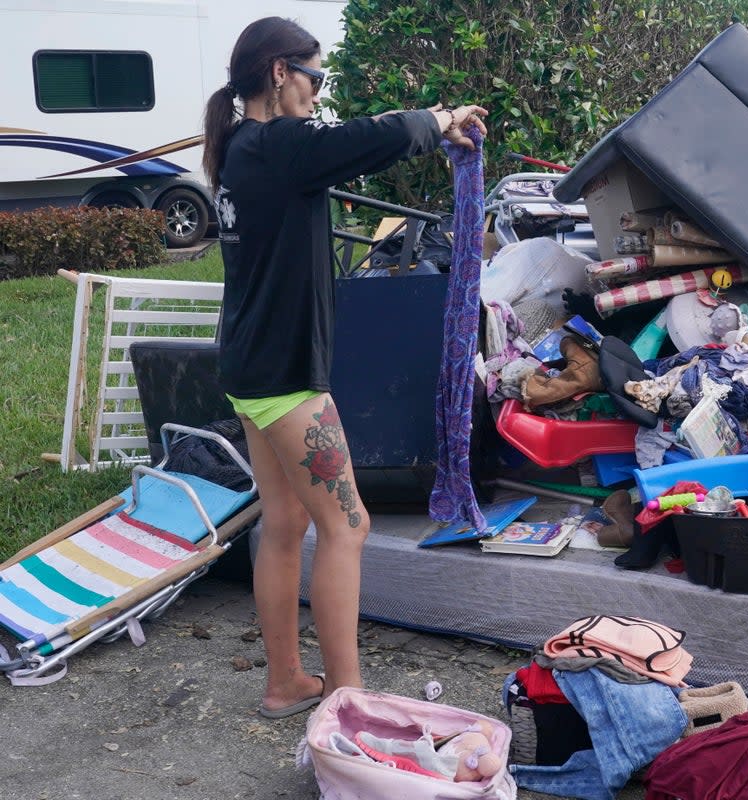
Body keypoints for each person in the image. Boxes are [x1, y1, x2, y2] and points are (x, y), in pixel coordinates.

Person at [201, 16, 487, 718]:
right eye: (315, 76)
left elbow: (356, 136)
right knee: (347, 525)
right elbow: (372, 137)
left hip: (248, 366)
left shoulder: (240, 147)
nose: (317, 93)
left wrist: (426, 122)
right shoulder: (279, 146)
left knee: (286, 518)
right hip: (286, 377)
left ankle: (286, 683)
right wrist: (443, 117)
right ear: (280, 73)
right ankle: (349, 698)